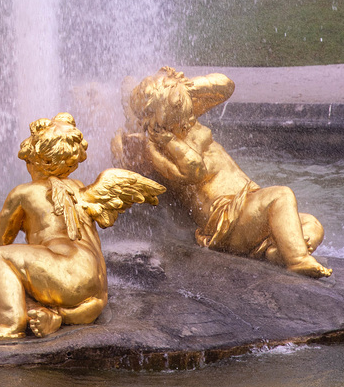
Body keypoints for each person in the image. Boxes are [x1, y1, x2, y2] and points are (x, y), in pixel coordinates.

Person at [112, 67, 331, 278]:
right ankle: (297, 259)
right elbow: (195, 169)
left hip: (248, 204)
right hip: (227, 218)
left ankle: (276, 253)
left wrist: (185, 87)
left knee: (313, 225)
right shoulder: (157, 147)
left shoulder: (185, 122)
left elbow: (225, 85)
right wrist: (159, 140)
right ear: (158, 111)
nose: (179, 95)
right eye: (171, 92)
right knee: (281, 196)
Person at [0, 113, 164, 341]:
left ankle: (12, 324)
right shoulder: (81, 188)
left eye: (27, 160)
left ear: (37, 160)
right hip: (93, 296)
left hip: (65, 273)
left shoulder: (23, 193)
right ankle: (53, 316)